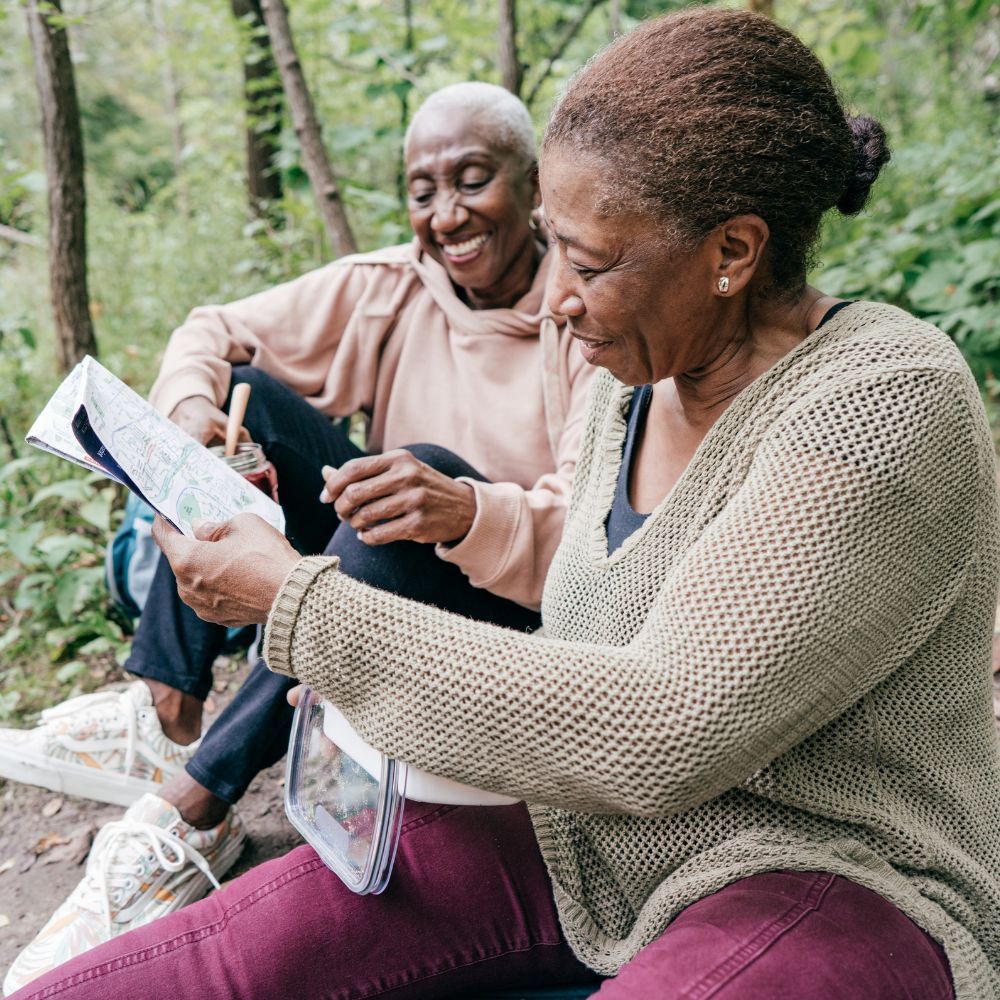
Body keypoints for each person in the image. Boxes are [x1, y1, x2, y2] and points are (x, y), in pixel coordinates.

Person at [9, 7, 1000, 999]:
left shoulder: (879, 405)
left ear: (731, 251)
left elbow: (663, 730)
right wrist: (371, 712)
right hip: (594, 846)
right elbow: (580, 641)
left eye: (592, 261)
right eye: (555, 249)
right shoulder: (628, 379)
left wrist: (303, 610)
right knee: (207, 961)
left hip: (837, 873)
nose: (558, 297)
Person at [0, 82, 595, 995]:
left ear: (533, 185)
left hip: (507, 600)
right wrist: (198, 412)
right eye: (422, 189)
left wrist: (463, 508)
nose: (447, 213)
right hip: (377, 554)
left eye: (473, 180)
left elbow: (598, 528)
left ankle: (194, 804)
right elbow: (214, 330)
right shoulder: (393, 286)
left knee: (406, 482)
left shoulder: (587, 308)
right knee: (259, 403)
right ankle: (168, 706)